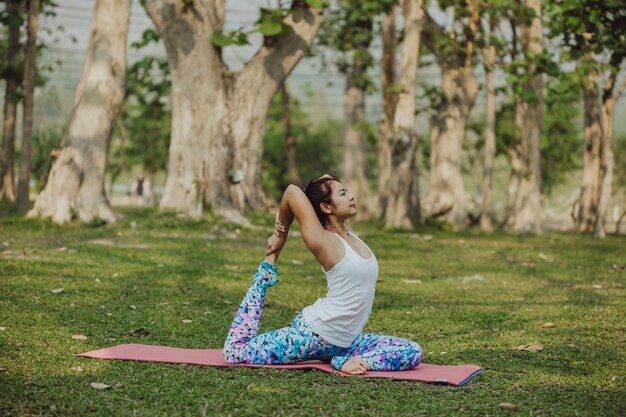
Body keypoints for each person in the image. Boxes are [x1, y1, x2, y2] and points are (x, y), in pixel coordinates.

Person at [223, 175, 423, 375]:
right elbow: (292, 191)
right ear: (326, 208)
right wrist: (279, 238)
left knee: (412, 351)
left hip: (346, 342)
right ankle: (264, 275)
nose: (351, 196)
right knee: (234, 352)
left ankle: (347, 360)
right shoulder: (324, 240)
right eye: (343, 194)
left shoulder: (349, 233)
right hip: (313, 336)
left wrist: (330, 185)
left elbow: (326, 177)